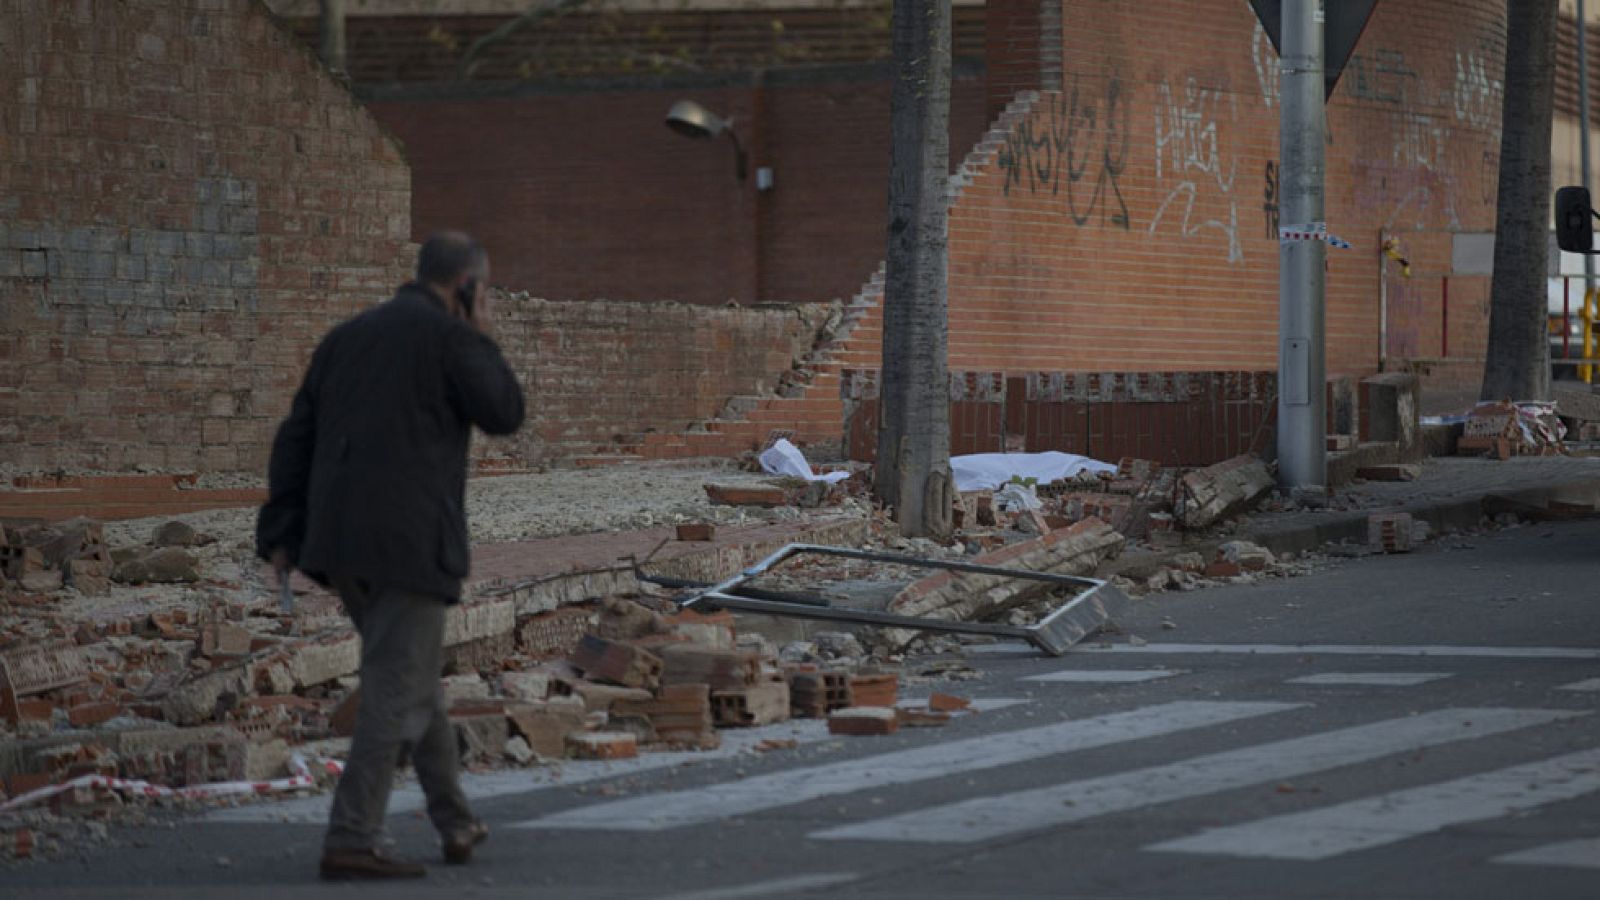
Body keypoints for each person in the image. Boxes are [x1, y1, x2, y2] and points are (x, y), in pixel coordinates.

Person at [256, 232, 525, 880]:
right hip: (409, 547)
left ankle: (455, 820)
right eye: (483, 292)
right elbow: (505, 412)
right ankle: (352, 835)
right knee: (394, 690)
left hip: (341, 547)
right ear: (464, 287)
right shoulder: (451, 338)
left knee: (414, 680)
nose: (485, 302)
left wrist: (281, 533)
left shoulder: (347, 338)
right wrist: (482, 334)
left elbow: (295, 438)